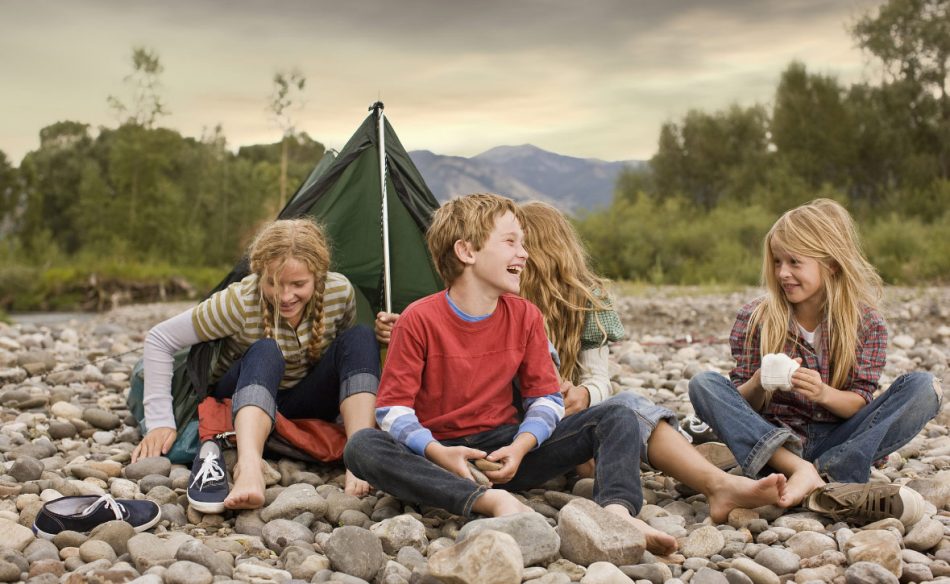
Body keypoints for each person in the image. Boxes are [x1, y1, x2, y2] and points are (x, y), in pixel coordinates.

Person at [516, 200, 790, 512]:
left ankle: (708, 476)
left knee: (625, 406)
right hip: (525, 432)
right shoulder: (502, 305)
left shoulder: (585, 301)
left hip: (569, 421)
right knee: (627, 409)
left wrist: (584, 395)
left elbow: (598, 379)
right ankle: (697, 465)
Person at [688, 199, 941, 521]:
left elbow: (860, 402)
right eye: (777, 262)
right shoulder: (756, 317)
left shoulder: (866, 323)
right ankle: (812, 477)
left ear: (831, 264)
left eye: (795, 262)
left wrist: (823, 393)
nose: (783, 273)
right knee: (704, 384)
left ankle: (828, 473)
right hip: (775, 441)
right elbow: (739, 406)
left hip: (838, 438)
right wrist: (758, 383)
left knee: (923, 386)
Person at [131, 218, 380, 512]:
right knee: (265, 349)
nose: (285, 296)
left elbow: (345, 356)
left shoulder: (340, 292)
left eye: (298, 284)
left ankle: (359, 456)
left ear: (319, 274)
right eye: (272, 283)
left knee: (362, 336)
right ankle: (249, 468)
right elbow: (160, 339)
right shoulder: (238, 301)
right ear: (259, 273)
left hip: (304, 400)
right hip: (244, 395)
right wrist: (160, 421)